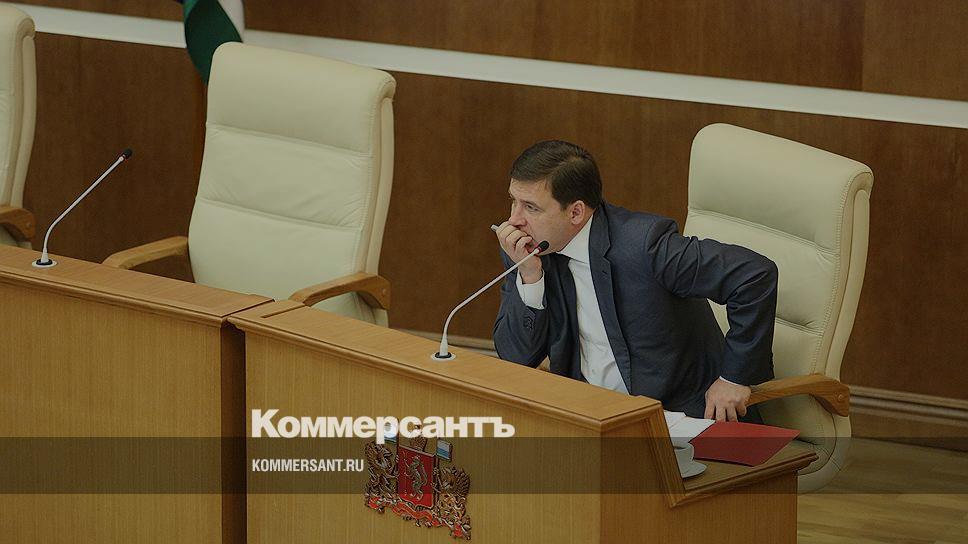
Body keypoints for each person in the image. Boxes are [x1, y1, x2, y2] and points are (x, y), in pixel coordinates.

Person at [493, 140, 778, 421]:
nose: (513, 220)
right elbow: (516, 358)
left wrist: (734, 378)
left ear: (576, 212)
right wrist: (530, 278)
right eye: (513, 202)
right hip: (591, 415)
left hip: (679, 416)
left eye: (530, 207)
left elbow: (754, 276)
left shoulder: (645, 245)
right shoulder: (529, 252)